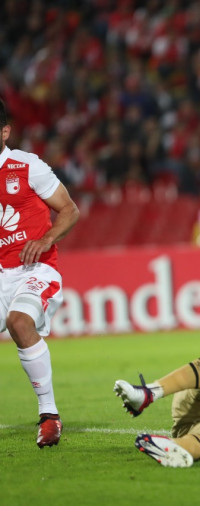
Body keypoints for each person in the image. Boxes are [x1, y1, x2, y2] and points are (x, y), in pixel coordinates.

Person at [0, 98, 80, 447]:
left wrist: (46, 239)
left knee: (20, 322)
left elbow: (69, 210)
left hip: (37, 269)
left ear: (4, 131)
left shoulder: (27, 166)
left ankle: (49, 415)